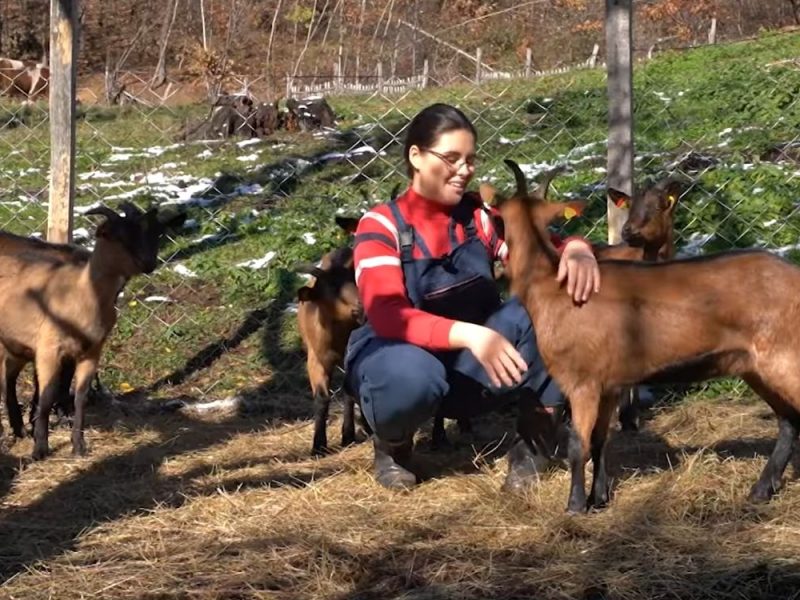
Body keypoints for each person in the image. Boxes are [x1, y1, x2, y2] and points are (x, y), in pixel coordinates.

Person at [343, 103, 601, 491]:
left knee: (551, 298)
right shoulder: (381, 224)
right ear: (415, 156)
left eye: (470, 160)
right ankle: (393, 446)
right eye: (451, 158)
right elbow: (387, 315)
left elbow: (539, 255)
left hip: (471, 368)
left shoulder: (478, 218)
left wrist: (577, 249)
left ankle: (535, 441)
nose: (464, 171)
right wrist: (471, 334)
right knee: (407, 373)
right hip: (403, 361)